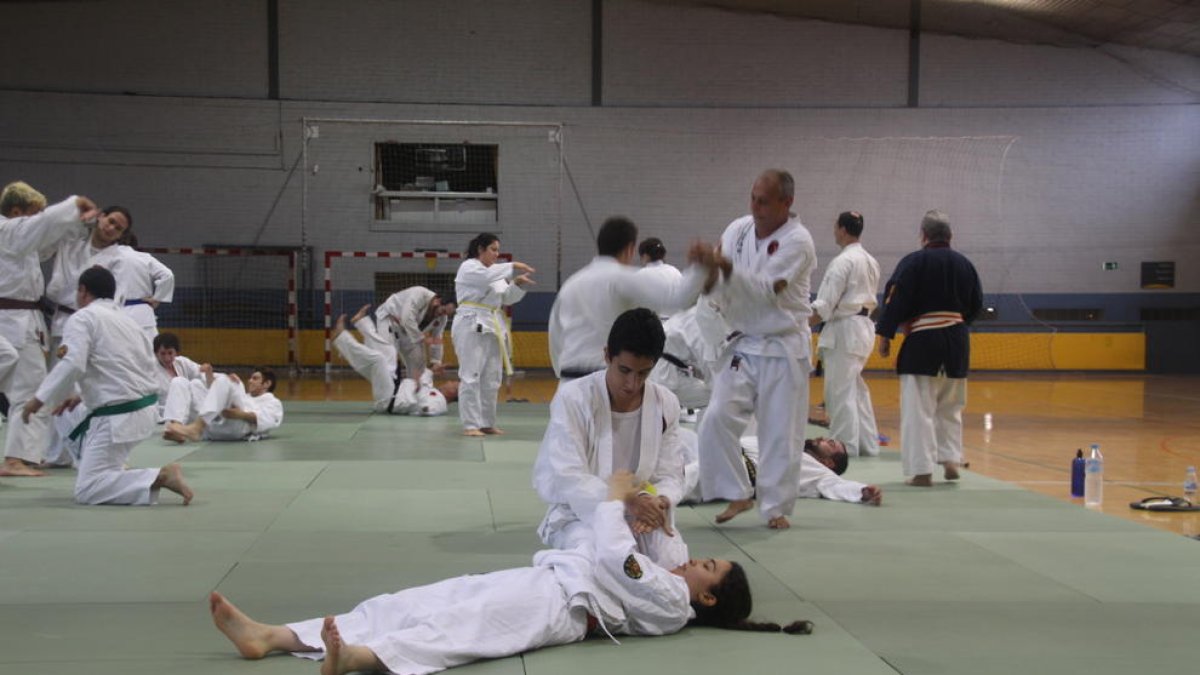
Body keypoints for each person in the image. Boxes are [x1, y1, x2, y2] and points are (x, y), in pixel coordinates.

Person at [210, 473, 801, 675]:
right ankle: (281, 636)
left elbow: (612, 557)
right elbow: (668, 541)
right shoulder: (675, 578)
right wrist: (653, 504)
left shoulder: (672, 604)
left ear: (710, 600)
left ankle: (358, 659)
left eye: (710, 569)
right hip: (541, 582)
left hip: (559, 608)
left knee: (459, 629)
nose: (698, 561)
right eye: (708, 558)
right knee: (419, 598)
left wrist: (620, 502)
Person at [697, 169, 817, 530]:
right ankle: (736, 491)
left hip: (783, 347)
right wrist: (708, 279)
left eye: (764, 201)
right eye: (753, 197)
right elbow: (720, 280)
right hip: (744, 342)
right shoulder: (737, 230)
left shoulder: (799, 241)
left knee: (780, 432)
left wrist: (721, 266)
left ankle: (776, 508)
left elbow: (768, 288)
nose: (756, 206)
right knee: (715, 418)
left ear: (787, 202)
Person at [20, 267, 192, 505]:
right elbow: (120, 367)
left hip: (118, 417)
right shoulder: (129, 322)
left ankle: (159, 476)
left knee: (88, 489)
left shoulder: (83, 318)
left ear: (82, 291)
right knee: (67, 418)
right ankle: (113, 466)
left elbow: (72, 364)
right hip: (143, 412)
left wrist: (38, 399)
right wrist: (80, 395)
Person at [534, 308, 690, 567]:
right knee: (601, 561)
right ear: (607, 355)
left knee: (675, 562)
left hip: (641, 511)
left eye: (643, 373)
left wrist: (659, 500)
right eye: (625, 370)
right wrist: (626, 501)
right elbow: (569, 477)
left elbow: (671, 475)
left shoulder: (665, 404)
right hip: (579, 514)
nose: (632, 383)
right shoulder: (574, 399)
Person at [876, 210, 983, 487]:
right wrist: (958, 323)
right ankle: (950, 458)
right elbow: (976, 303)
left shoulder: (914, 262)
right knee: (951, 406)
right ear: (950, 236)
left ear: (923, 236)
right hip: (958, 341)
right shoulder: (965, 265)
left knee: (918, 408)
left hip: (923, 341)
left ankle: (922, 470)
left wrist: (885, 334)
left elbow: (895, 298)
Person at [0, 181, 99, 477]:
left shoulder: (21, 241)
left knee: (30, 390)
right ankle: (16, 458)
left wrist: (80, 227)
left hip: (25, 321)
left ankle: (17, 458)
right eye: (33, 213)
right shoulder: (7, 230)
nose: (37, 219)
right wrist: (73, 203)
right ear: (16, 211)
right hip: (8, 318)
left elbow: (48, 241)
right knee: (17, 374)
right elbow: (44, 225)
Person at [549, 217, 717, 380]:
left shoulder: (570, 285)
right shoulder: (621, 278)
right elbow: (677, 300)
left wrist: (560, 373)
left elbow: (555, 336)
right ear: (630, 248)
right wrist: (700, 267)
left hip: (568, 382)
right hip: (607, 381)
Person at [809, 211, 881, 458]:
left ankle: (842, 448)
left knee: (838, 392)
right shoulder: (871, 261)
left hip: (845, 329)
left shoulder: (843, 262)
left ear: (841, 229)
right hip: (863, 329)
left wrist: (797, 324)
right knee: (855, 389)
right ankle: (867, 444)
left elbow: (824, 305)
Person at [450, 233, 534, 437]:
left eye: (498, 250)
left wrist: (517, 285)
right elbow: (487, 277)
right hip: (471, 322)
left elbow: (507, 298)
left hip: (493, 324)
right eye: (493, 249)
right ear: (480, 249)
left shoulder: (495, 273)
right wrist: (514, 265)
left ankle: (487, 423)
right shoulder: (469, 267)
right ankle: (470, 424)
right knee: (471, 375)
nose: (497, 254)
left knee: (492, 377)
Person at [683, 434, 882, 506]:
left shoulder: (818, 472)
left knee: (690, 475)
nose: (823, 438)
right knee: (680, 437)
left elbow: (837, 485)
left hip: (737, 470)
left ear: (829, 463)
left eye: (831, 444)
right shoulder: (791, 444)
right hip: (717, 447)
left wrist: (862, 491)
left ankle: (655, 498)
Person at [332, 307, 458, 416]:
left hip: (389, 399)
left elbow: (427, 410)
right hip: (394, 387)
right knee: (389, 351)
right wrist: (432, 371)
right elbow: (424, 381)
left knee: (378, 360)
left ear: (453, 393)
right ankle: (361, 322)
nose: (449, 382)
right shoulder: (433, 391)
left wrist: (418, 393)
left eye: (453, 383)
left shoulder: (439, 404)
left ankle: (341, 337)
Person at [162, 368, 283, 443]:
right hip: (212, 428)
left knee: (228, 380)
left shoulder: (272, 402)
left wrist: (241, 414)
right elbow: (214, 396)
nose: (250, 381)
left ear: (267, 383)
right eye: (251, 378)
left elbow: (268, 421)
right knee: (185, 382)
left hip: (238, 426)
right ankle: (176, 427)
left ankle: (196, 427)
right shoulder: (245, 396)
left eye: (255, 378)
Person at [374, 286, 454, 380]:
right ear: (437, 301)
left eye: (447, 314)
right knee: (389, 356)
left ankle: (415, 392)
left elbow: (436, 339)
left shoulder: (442, 318)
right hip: (389, 319)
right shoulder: (419, 294)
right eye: (443, 311)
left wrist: (436, 362)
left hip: (410, 331)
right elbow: (406, 318)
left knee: (418, 362)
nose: (443, 315)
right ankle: (389, 392)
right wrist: (423, 339)